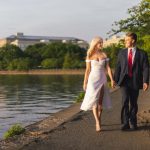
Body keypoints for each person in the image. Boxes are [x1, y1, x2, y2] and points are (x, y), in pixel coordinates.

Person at [114, 32, 149, 131]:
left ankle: (133, 122)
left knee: (133, 103)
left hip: (135, 81)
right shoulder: (122, 52)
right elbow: (118, 67)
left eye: (127, 40)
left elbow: (146, 68)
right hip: (124, 81)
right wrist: (114, 80)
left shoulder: (142, 53)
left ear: (133, 41)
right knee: (124, 101)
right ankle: (125, 123)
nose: (125, 41)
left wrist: (145, 81)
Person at [80, 36, 115, 132]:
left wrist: (112, 79)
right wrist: (85, 82)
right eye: (100, 43)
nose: (101, 44)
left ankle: (99, 118)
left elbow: (108, 68)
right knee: (94, 101)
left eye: (102, 43)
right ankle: (97, 122)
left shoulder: (104, 54)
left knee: (100, 103)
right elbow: (87, 70)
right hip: (92, 80)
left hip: (102, 79)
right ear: (95, 44)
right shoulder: (90, 55)